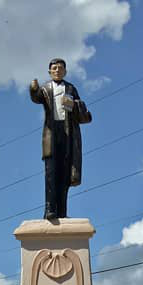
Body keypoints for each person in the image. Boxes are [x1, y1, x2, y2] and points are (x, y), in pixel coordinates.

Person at [30, 58, 91, 221]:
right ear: (50, 72)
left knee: (64, 174)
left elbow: (80, 109)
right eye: (54, 68)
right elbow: (37, 98)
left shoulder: (70, 88)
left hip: (67, 132)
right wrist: (33, 88)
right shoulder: (45, 88)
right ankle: (50, 208)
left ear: (65, 71)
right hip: (51, 131)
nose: (57, 70)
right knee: (51, 173)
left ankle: (62, 211)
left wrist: (73, 103)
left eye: (60, 68)